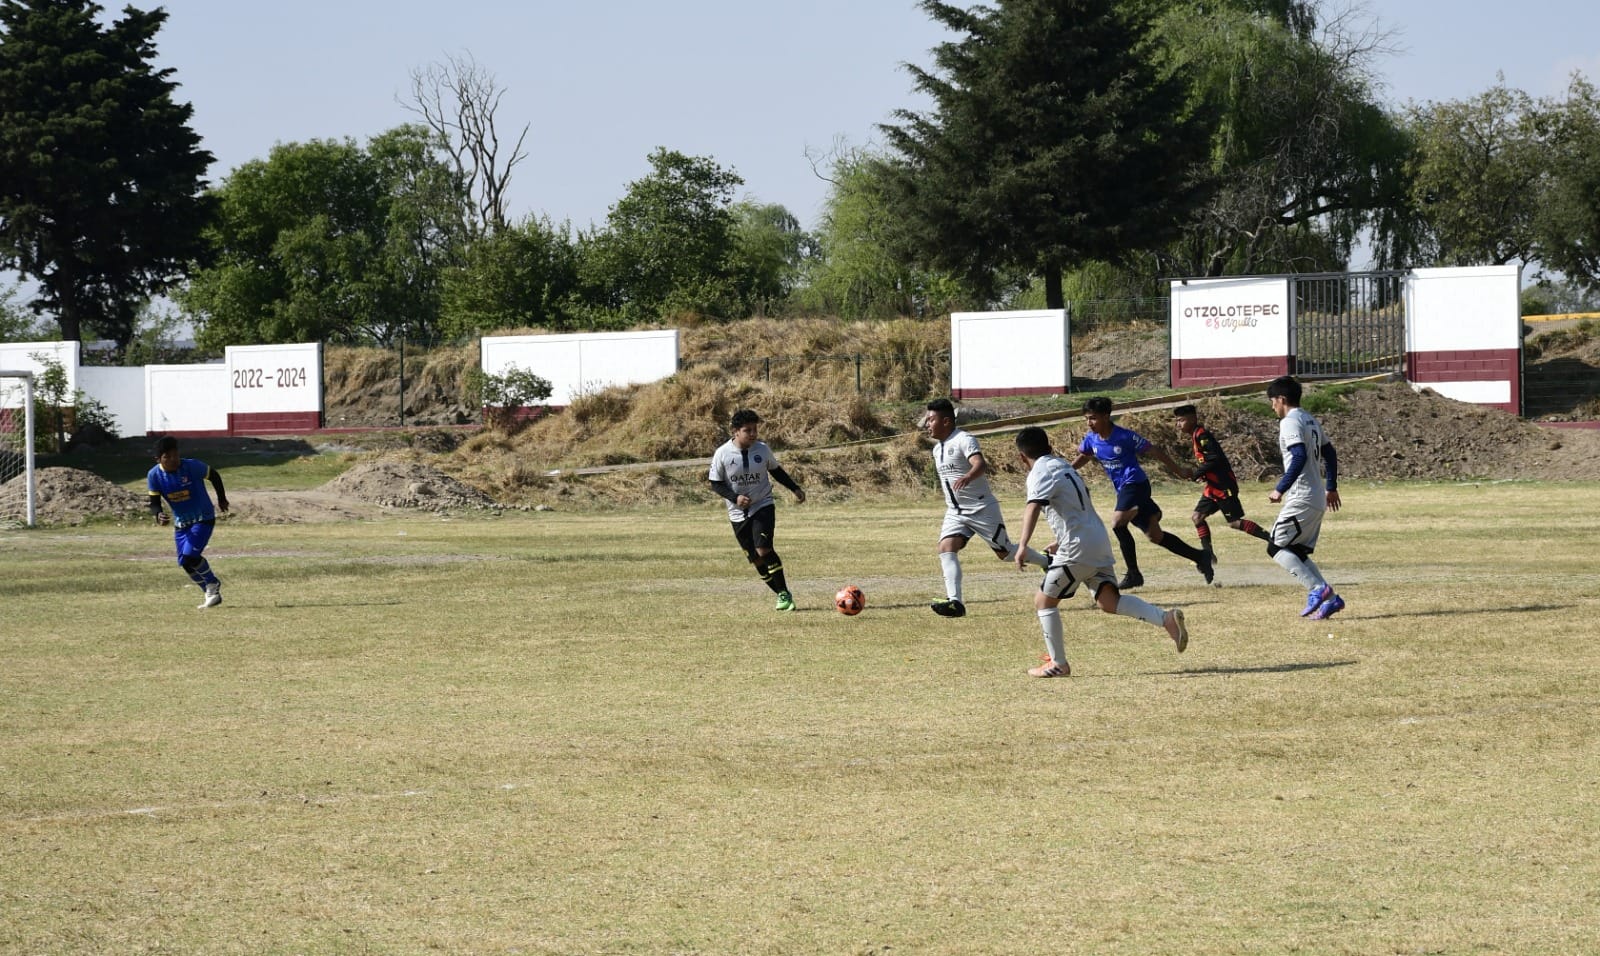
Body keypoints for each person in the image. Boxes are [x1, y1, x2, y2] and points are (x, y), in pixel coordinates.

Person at [1013, 427, 1189, 678]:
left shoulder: (1039, 471)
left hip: (1078, 547)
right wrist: (1059, 539)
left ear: (1022, 458)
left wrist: (1022, 545)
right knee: (1109, 602)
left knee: (1044, 600)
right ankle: (1166, 619)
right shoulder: (1064, 466)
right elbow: (1077, 506)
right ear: (1049, 447)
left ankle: (1058, 664)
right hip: (1097, 541)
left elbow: (1033, 506)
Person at [922, 398, 1049, 618]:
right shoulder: (936, 449)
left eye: (931, 419)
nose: (927, 424)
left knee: (1006, 553)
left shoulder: (964, 439)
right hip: (956, 512)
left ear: (945, 421)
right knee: (946, 547)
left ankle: (1047, 562)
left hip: (981, 509)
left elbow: (980, 463)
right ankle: (955, 602)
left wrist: (968, 476)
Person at [1070, 396, 1212, 589]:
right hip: (1123, 489)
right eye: (1086, 418)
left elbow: (1154, 451)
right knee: (1155, 536)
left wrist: (1178, 470)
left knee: (1118, 523)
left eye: (1093, 418)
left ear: (1106, 416)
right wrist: (1066, 472)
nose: (1089, 423)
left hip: (1136, 484)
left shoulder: (1124, 436)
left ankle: (1134, 574)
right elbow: (1085, 455)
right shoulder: (1091, 439)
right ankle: (1199, 556)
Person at [708, 408, 806, 611]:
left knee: (764, 548)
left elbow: (776, 471)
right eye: (748, 430)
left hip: (763, 505)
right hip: (737, 513)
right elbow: (715, 483)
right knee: (756, 558)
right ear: (735, 431)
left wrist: (795, 488)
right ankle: (781, 594)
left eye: (755, 429)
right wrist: (735, 498)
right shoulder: (722, 454)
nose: (753, 434)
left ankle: (784, 594)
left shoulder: (762, 449)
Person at [1265, 376, 1346, 620]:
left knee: (1275, 547)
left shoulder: (1289, 422)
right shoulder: (1309, 418)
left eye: (1272, 402)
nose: (1272, 407)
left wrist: (1280, 488)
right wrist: (1330, 487)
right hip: (1316, 497)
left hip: (1301, 496)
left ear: (1281, 399)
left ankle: (1318, 589)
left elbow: (1298, 456)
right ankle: (1331, 600)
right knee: (1295, 550)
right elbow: (1330, 453)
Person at [1171, 403, 1271, 568]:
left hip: (1223, 486)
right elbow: (1210, 462)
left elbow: (1215, 459)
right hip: (1213, 487)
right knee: (1197, 517)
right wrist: (1203, 475)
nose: (1178, 424)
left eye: (1181, 420)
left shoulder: (1203, 435)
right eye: (1177, 421)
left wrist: (1196, 473)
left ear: (1192, 419)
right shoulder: (1196, 435)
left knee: (1234, 523)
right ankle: (1208, 556)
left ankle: (1273, 540)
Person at [147, 435, 230, 609]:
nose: (173, 459)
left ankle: (212, 584)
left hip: (203, 517)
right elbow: (154, 503)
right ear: (158, 459)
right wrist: (158, 515)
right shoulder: (154, 475)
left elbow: (214, 475)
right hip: (181, 523)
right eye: (167, 457)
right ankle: (210, 593)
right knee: (184, 562)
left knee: (191, 555)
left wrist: (222, 499)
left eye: (175, 455)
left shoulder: (191, 466)